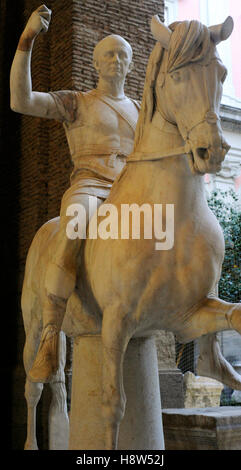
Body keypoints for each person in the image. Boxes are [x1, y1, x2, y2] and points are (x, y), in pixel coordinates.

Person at [10, 4, 140, 383]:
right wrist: (27, 39)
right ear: (96, 64)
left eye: (123, 55)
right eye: (108, 55)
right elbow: (22, 100)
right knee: (72, 230)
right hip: (90, 187)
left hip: (129, 194)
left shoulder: (140, 110)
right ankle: (51, 333)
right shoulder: (77, 103)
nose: (116, 60)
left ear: (131, 66)